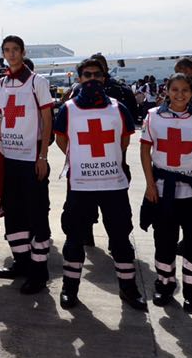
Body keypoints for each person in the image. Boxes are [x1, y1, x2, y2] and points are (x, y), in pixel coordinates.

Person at [53, 57, 145, 310]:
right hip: (80, 186)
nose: (92, 80)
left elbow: (124, 142)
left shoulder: (118, 108)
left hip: (113, 185)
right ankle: (69, 290)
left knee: (120, 239)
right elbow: (62, 140)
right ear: (79, 78)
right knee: (74, 239)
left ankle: (128, 289)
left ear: (104, 78)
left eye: (97, 75)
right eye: (87, 75)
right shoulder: (68, 109)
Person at [140, 73, 192, 311]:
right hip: (164, 192)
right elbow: (145, 152)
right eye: (175, 89)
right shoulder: (153, 117)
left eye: (185, 90)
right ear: (166, 90)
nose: (180, 94)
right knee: (164, 241)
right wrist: (150, 185)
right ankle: (164, 285)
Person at [0, 36, 56, 294]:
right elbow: (0, 120)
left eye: (14, 50)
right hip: (9, 160)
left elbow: (47, 120)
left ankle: (39, 272)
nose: (10, 54)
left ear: (22, 52)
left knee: (37, 216)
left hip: (31, 160)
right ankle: (21, 262)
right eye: (6, 50)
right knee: (14, 214)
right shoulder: (1, 83)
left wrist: (42, 157)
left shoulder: (37, 82)